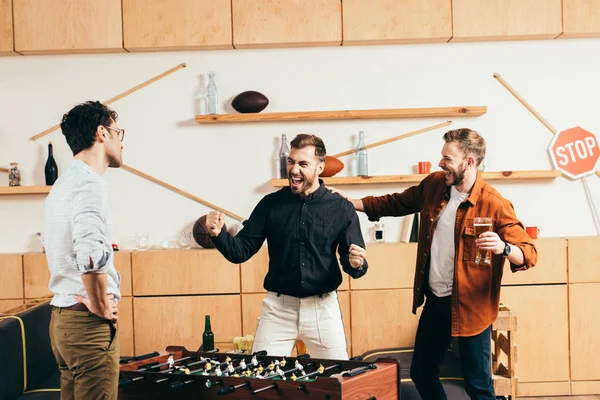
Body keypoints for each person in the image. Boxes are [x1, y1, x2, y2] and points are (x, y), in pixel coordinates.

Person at [338, 128, 537, 400]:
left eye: (447, 158)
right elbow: (395, 203)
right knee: (422, 372)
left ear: (470, 162)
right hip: (436, 300)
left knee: (478, 387)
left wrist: (504, 248)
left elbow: (529, 252)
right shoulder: (434, 185)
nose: (440, 163)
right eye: (442, 156)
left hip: (472, 309)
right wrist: (351, 203)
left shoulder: (494, 203)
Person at [205, 134, 368, 360]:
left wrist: (356, 264)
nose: (294, 170)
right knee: (259, 380)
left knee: (337, 380)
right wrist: (217, 234)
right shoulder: (270, 204)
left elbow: (353, 264)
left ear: (320, 167)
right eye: (291, 162)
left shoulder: (341, 208)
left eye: (303, 164)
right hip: (278, 310)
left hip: (323, 309)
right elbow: (240, 251)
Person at [44, 101, 125, 399]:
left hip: (63, 321)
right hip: (87, 326)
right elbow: (90, 253)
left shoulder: (63, 183)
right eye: (119, 132)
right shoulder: (90, 184)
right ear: (102, 133)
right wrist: (102, 305)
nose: (121, 142)